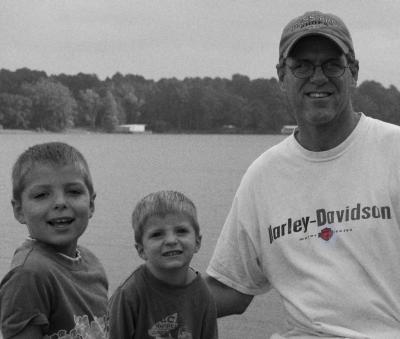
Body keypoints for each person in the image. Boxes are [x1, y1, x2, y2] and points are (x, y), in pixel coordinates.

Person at [205, 10, 400, 339]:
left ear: (353, 72)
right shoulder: (263, 177)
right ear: (282, 76)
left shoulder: (394, 151)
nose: (318, 77)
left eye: (332, 64)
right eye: (302, 66)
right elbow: (231, 289)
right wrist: (148, 297)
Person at [0, 142, 108, 339]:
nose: (60, 203)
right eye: (41, 195)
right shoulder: (30, 275)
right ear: (19, 211)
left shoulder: (92, 263)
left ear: (91, 204)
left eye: (74, 192)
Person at [107, 190, 218, 339]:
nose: (171, 240)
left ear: (197, 242)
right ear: (141, 250)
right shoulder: (129, 295)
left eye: (181, 231)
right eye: (157, 234)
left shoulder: (203, 293)